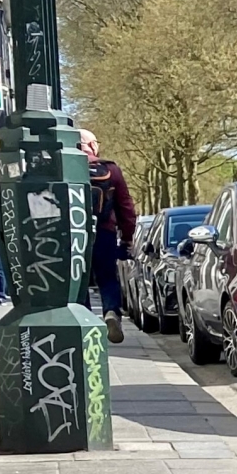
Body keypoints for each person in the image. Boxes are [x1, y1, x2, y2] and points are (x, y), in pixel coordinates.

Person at [80, 129, 133, 341]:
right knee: (107, 277)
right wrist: (127, 237)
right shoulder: (110, 170)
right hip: (104, 232)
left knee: (79, 279)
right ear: (92, 146)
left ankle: (84, 320)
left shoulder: (59, 167)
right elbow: (125, 206)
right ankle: (111, 312)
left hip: (71, 235)